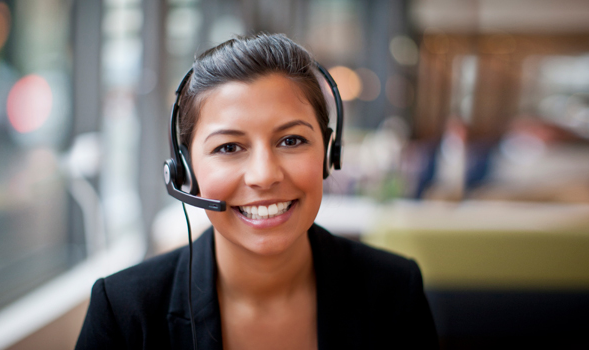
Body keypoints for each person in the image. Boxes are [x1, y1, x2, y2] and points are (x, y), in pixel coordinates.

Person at [76, 33, 438, 350]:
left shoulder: (394, 291)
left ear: (329, 154)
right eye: (229, 148)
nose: (264, 176)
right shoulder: (124, 312)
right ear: (186, 170)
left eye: (291, 140)